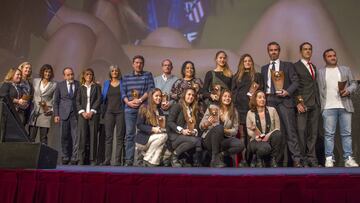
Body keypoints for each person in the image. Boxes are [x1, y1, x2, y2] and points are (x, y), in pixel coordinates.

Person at [261, 41, 302, 167]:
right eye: (271, 50)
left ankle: (296, 160)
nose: (273, 52)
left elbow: (296, 82)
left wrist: (287, 91)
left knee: (290, 131)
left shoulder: (288, 65)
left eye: (275, 50)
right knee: (273, 133)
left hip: (285, 100)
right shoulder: (264, 68)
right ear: (268, 52)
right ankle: (275, 160)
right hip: (269, 100)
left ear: (279, 51)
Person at [318, 48, 359, 167]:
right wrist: (322, 107)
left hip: (344, 106)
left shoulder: (345, 69)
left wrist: (348, 90)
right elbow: (319, 89)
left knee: (347, 134)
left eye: (334, 55)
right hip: (328, 107)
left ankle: (348, 159)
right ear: (325, 58)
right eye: (329, 56)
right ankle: (329, 158)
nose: (332, 57)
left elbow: (354, 83)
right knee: (329, 135)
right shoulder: (321, 72)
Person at [121, 55, 155, 166]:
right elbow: (123, 92)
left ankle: (141, 160)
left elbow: (150, 89)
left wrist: (140, 100)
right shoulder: (126, 77)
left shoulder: (148, 75)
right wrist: (128, 102)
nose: (138, 64)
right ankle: (129, 160)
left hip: (143, 109)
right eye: (136, 62)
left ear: (143, 64)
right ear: (133, 64)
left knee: (143, 133)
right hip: (129, 109)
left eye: (140, 63)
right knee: (130, 135)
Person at [232, 53, 263, 165]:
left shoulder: (257, 76)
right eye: (245, 61)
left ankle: (254, 159)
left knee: (253, 134)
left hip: (252, 109)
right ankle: (244, 160)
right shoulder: (236, 77)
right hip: (240, 109)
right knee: (243, 136)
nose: (247, 63)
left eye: (249, 61)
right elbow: (233, 92)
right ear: (241, 63)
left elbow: (261, 91)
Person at [200, 89, 244, 167]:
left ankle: (220, 155)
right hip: (209, 140)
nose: (227, 98)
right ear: (221, 97)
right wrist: (207, 123)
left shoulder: (234, 111)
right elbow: (201, 126)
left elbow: (235, 131)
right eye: (225, 96)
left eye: (229, 97)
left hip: (223, 140)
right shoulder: (212, 107)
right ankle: (214, 160)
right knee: (219, 127)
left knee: (240, 144)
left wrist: (224, 131)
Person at [293, 42, 321, 167]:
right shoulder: (295, 66)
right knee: (301, 132)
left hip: (314, 103)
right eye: (305, 49)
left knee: (313, 133)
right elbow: (295, 86)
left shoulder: (313, 67)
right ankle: (302, 158)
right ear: (301, 51)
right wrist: (298, 102)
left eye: (310, 49)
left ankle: (312, 158)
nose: (308, 51)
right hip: (303, 104)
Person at [167, 87, 202, 167]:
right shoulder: (177, 106)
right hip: (175, 137)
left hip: (187, 136)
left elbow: (195, 126)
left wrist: (194, 131)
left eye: (193, 95)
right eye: (189, 94)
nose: (191, 97)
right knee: (197, 141)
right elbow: (170, 122)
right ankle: (174, 156)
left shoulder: (193, 109)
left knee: (198, 139)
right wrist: (182, 130)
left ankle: (195, 163)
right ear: (184, 95)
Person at [246, 90, 282, 167]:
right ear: (255, 99)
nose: (262, 99)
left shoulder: (272, 110)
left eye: (264, 98)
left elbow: (277, 128)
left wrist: (267, 136)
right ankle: (258, 158)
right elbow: (249, 132)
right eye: (260, 97)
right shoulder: (250, 113)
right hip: (256, 140)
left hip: (269, 139)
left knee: (278, 134)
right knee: (265, 147)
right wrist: (258, 136)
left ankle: (272, 159)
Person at [53, 67, 80, 165]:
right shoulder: (60, 85)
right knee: (64, 137)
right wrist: (56, 114)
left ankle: (74, 157)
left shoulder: (78, 84)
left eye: (72, 74)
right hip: (63, 114)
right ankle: (65, 156)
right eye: (68, 75)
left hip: (75, 115)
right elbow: (56, 102)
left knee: (76, 137)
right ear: (64, 76)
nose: (71, 76)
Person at [135, 88, 168, 167]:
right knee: (163, 136)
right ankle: (147, 158)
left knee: (162, 143)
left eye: (160, 96)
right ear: (151, 97)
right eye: (156, 96)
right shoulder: (144, 107)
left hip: (155, 140)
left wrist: (163, 129)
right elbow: (139, 125)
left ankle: (152, 163)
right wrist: (152, 129)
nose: (159, 98)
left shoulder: (160, 111)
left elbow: (162, 126)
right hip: (143, 140)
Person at [101, 65, 125, 166]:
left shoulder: (123, 83)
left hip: (120, 112)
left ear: (118, 72)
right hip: (109, 112)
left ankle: (118, 160)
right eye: (112, 71)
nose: (114, 72)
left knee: (119, 137)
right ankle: (107, 160)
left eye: (116, 71)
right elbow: (103, 97)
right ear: (110, 73)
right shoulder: (106, 83)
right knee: (108, 137)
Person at [76, 68, 101, 165]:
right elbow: (77, 101)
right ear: (84, 76)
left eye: (91, 74)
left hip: (93, 115)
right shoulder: (80, 87)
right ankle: (81, 159)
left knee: (93, 137)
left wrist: (92, 111)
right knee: (82, 137)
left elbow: (99, 99)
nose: (89, 76)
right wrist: (82, 112)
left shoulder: (96, 87)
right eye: (87, 74)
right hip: (82, 115)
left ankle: (92, 159)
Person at [28, 64, 57, 145]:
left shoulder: (54, 84)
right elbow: (31, 94)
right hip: (34, 111)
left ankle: (43, 156)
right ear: (42, 72)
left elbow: (55, 100)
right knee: (31, 137)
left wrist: (51, 110)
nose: (47, 74)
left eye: (49, 72)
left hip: (46, 112)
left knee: (43, 138)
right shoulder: (35, 81)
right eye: (46, 71)